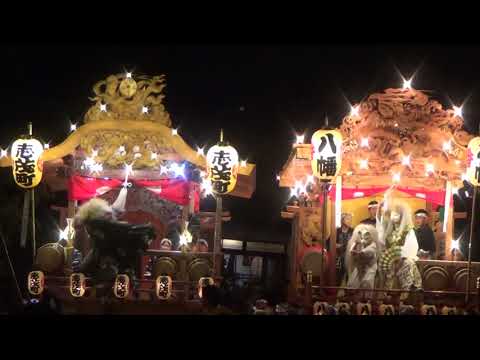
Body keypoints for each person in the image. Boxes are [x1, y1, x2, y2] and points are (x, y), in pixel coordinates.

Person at [377, 200, 422, 297]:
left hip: (403, 262)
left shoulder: (408, 231)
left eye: (397, 213)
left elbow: (412, 248)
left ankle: (404, 299)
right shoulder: (388, 230)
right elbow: (381, 242)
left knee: (407, 265)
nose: (394, 215)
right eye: (393, 213)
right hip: (389, 264)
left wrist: (400, 258)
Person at [335, 213, 354, 285]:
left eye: (351, 219)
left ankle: (348, 293)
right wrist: (334, 245)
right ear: (342, 220)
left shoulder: (353, 231)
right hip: (338, 258)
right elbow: (329, 243)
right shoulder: (337, 231)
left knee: (349, 276)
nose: (350, 221)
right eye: (348, 219)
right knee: (338, 276)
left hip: (350, 258)